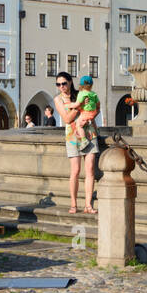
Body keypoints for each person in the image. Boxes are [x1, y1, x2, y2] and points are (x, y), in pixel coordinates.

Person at [53, 71, 97, 214]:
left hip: (89, 132)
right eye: (58, 84)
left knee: (90, 169)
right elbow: (66, 119)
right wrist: (78, 107)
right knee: (75, 171)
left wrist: (90, 118)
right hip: (72, 137)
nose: (61, 87)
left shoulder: (81, 93)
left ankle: (88, 205)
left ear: (70, 82)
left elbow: (94, 108)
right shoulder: (58, 99)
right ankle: (73, 204)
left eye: (64, 83)